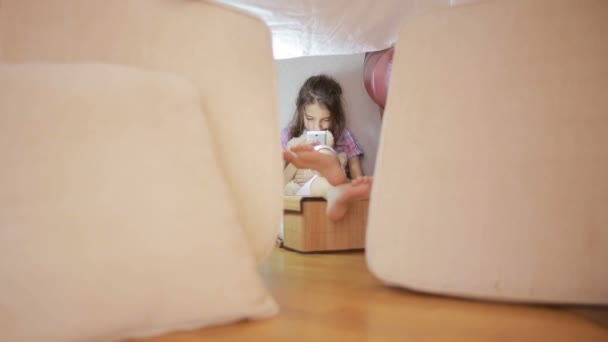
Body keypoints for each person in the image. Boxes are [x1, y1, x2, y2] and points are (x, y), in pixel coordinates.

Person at [282, 74, 364, 197]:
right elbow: (276, 185)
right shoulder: (289, 135)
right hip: (299, 203)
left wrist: (325, 175)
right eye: (310, 118)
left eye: (325, 119)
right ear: (301, 112)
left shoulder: (343, 136)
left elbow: (359, 186)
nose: (317, 127)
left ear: (334, 116)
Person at [283, 144, 373, 221]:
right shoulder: (293, 140)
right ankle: (336, 187)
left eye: (326, 121)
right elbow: (282, 183)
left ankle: (336, 186)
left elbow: (357, 176)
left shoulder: (343, 139)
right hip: (299, 200)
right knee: (320, 181)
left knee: (326, 179)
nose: (318, 125)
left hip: (329, 188)